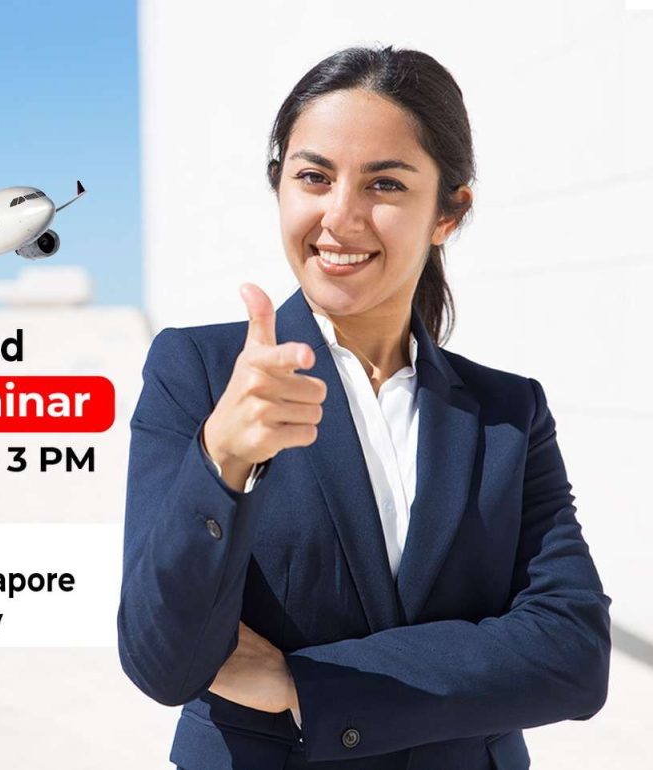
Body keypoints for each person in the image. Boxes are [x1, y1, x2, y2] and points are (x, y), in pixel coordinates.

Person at [117, 46, 611, 770]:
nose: (339, 217)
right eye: (313, 177)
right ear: (280, 186)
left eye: (384, 183)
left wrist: (305, 683)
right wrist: (221, 460)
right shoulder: (199, 375)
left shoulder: (508, 414)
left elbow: (574, 654)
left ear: (449, 212)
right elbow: (164, 661)